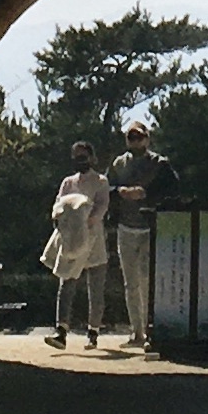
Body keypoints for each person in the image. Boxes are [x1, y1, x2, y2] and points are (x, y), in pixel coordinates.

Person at [106, 120, 180, 350]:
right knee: (130, 283)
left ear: (147, 138)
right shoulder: (118, 164)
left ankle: (150, 331)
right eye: (131, 137)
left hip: (151, 227)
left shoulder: (160, 164)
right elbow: (104, 188)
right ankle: (136, 331)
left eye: (139, 137)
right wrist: (119, 191)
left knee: (148, 280)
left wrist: (146, 193)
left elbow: (173, 188)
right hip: (125, 227)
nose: (135, 141)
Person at [44, 143, 112, 348]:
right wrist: (62, 222)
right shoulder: (68, 182)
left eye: (83, 157)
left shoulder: (101, 181)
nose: (79, 161)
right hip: (71, 239)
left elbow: (102, 207)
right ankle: (61, 331)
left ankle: (93, 332)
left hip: (94, 239)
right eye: (76, 157)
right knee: (66, 283)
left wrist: (86, 221)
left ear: (92, 158)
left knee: (96, 288)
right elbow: (58, 205)